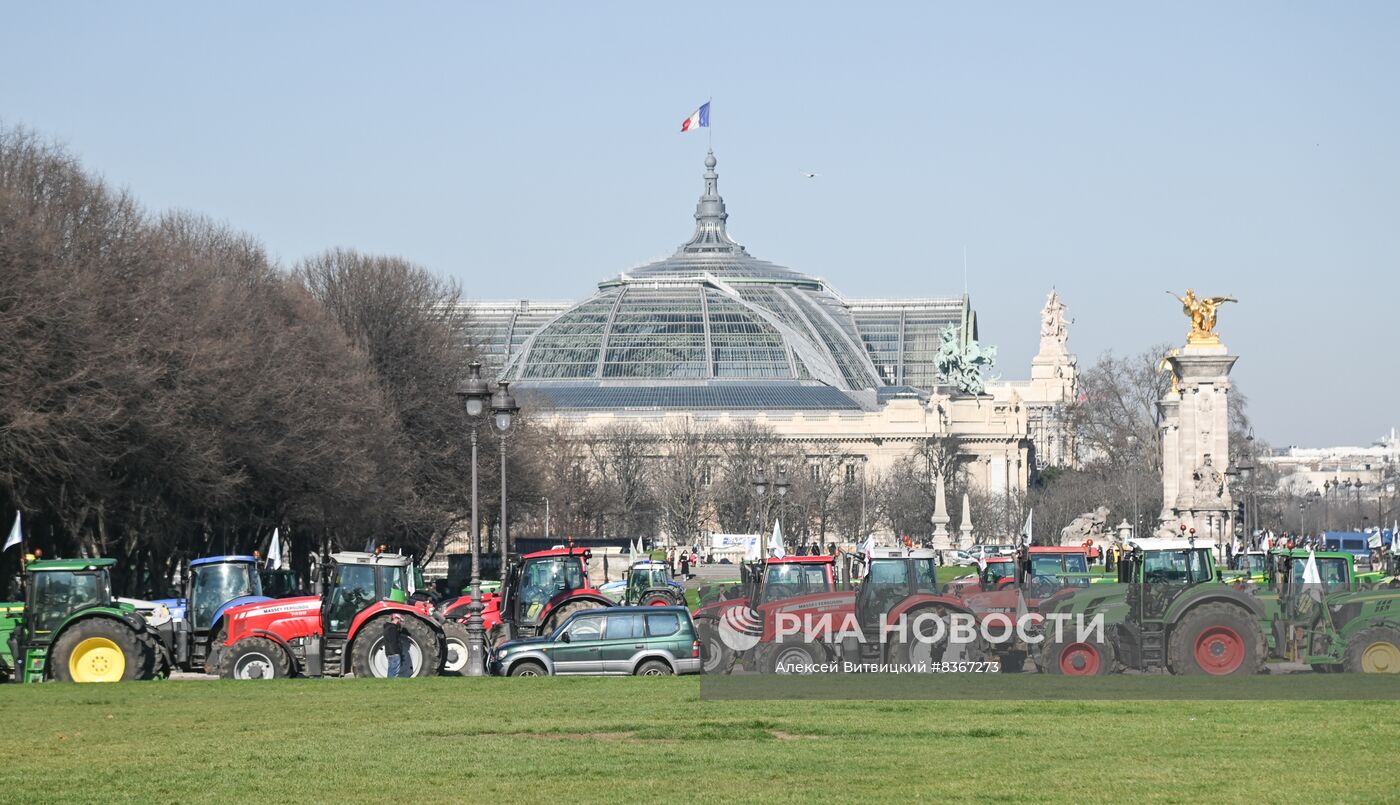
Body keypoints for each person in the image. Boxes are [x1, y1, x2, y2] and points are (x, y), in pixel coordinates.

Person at [384, 613, 412, 678]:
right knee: (394, 672)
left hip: (389, 652)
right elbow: (394, 641)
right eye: (399, 620)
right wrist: (398, 651)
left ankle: (389, 684)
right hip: (394, 653)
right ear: (396, 619)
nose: (400, 623)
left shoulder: (387, 628)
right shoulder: (393, 628)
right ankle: (392, 684)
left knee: (391, 670)